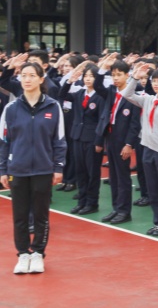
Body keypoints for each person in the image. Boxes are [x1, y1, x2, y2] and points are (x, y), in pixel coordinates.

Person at [0, 62, 66, 274]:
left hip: (43, 170)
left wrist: (58, 167)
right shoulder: (11, 108)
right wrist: (3, 169)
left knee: (40, 215)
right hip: (17, 169)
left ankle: (38, 253)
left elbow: (60, 140)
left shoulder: (53, 107)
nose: (26, 79)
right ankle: (23, 255)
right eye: (23, 75)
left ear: (41, 78)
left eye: (31, 75)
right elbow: (4, 141)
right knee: (19, 216)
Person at [123, 64, 158, 236]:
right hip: (147, 149)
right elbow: (126, 94)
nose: (156, 84)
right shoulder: (148, 99)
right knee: (153, 189)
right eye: (154, 81)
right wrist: (134, 77)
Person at [94, 58, 142, 224]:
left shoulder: (133, 95)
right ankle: (116, 208)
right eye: (113, 75)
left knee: (123, 177)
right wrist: (102, 69)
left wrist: (129, 144)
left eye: (119, 75)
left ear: (127, 76)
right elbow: (98, 86)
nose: (115, 78)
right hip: (111, 136)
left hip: (123, 141)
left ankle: (124, 211)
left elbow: (135, 124)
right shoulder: (112, 92)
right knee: (113, 176)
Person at [59, 62, 106, 216]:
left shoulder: (100, 97)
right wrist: (69, 81)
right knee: (80, 171)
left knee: (92, 172)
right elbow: (62, 95)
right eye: (85, 76)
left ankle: (92, 203)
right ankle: (82, 201)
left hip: (92, 139)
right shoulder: (79, 93)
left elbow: (102, 120)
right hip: (77, 137)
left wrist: (99, 141)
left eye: (91, 76)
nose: (87, 79)